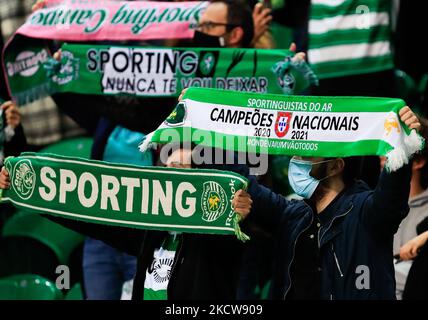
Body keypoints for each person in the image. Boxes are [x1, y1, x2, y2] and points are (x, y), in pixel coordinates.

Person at [231, 106, 422, 299]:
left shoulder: (367, 212)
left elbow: (392, 191)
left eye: (306, 156)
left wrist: (402, 142)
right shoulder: (292, 214)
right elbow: (246, 182)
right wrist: (209, 129)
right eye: (296, 154)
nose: (295, 161)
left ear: (335, 166)